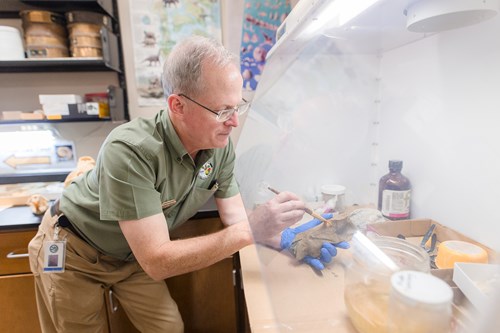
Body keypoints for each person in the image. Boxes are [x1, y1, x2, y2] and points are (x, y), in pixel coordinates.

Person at [27, 35, 306, 333]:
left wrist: (288, 238)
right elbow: (158, 261)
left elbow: (236, 219)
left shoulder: (219, 147)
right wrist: (252, 229)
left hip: (132, 257)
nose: (234, 122)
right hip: (76, 251)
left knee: (168, 328)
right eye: (223, 111)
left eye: (238, 107)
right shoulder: (131, 150)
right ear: (178, 106)